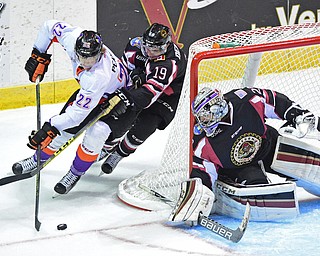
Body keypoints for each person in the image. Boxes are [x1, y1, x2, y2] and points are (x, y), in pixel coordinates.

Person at [169, 87, 320, 223]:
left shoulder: (245, 100)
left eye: (205, 116)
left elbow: (273, 100)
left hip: (267, 145)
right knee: (264, 194)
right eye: (201, 118)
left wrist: (297, 115)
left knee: (307, 162)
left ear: (216, 108)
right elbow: (202, 171)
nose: (202, 122)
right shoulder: (202, 141)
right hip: (239, 168)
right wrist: (198, 195)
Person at [12, 20, 130, 194]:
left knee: (93, 137)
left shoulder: (97, 76)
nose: (86, 61)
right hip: (99, 92)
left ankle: (75, 173)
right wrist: (38, 54)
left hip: (115, 100)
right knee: (63, 132)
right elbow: (49, 27)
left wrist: (49, 127)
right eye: (82, 56)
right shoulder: (73, 38)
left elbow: (76, 117)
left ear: (100, 52)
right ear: (76, 48)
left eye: (91, 58)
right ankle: (37, 159)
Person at [97, 23, 187, 174]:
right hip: (147, 84)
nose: (151, 52)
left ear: (166, 46)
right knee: (123, 118)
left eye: (156, 49)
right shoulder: (134, 47)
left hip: (170, 93)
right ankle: (107, 146)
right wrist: (135, 75)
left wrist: (128, 96)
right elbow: (124, 72)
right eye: (148, 47)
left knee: (146, 125)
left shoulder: (169, 64)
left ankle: (118, 154)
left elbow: (148, 95)